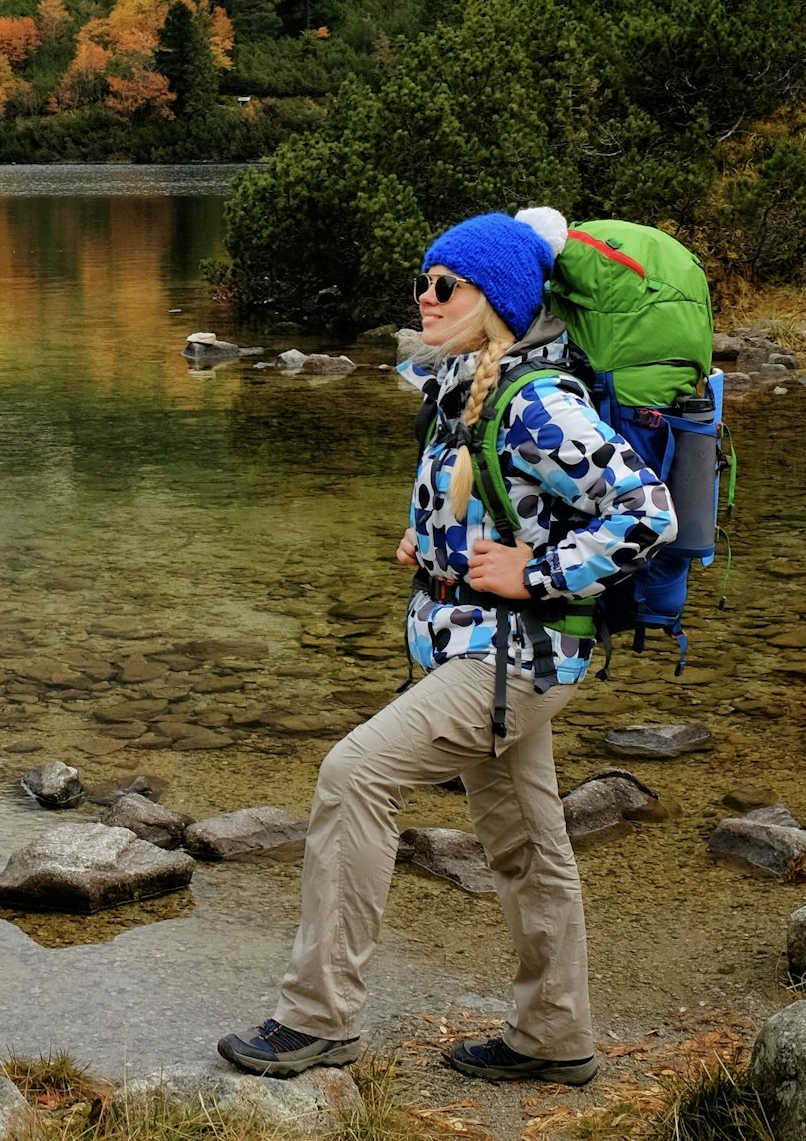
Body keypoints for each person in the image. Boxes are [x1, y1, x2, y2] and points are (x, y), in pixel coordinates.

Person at [216, 210, 675, 1089]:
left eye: (444, 286)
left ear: (497, 300)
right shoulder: (467, 383)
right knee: (526, 843)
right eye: (421, 283)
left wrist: (535, 571)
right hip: (484, 652)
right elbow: (490, 503)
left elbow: (649, 513)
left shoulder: (539, 402)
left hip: (514, 660)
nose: (424, 300)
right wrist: (427, 544)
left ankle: (318, 1020)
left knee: (354, 776)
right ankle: (554, 1036)